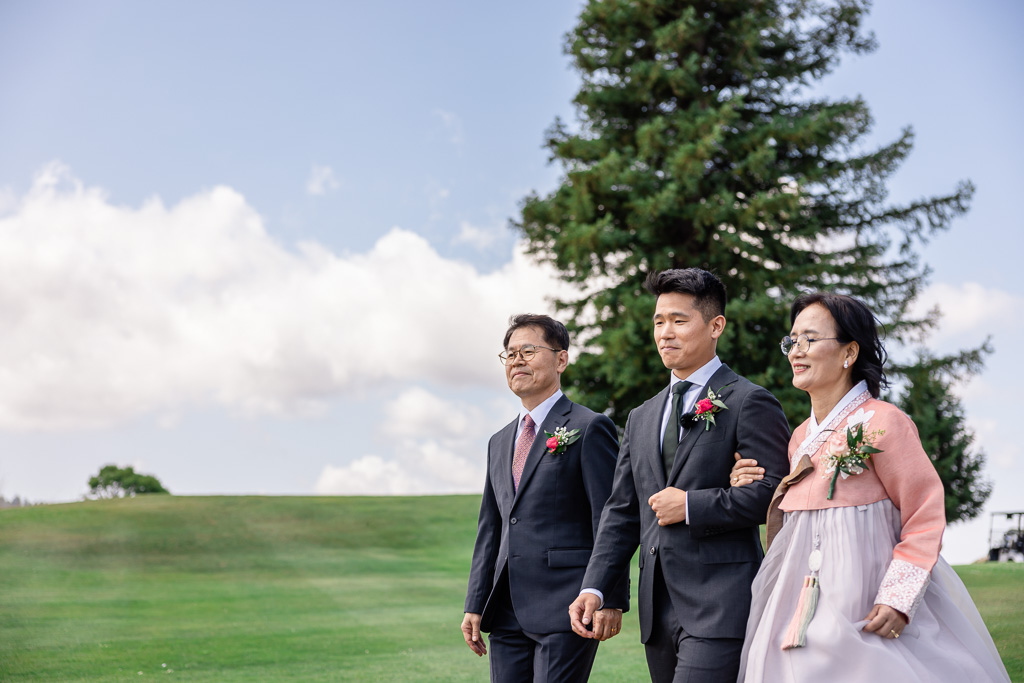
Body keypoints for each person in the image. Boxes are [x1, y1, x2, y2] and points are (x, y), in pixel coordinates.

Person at [730, 292, 1010, 682]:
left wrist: (898, 598)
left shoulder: (885, 423)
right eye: (791, 340)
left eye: (810, 339)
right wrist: (743, 478)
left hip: (867, 598)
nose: (796, 350)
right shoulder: (798, 438)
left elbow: (924, 515)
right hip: (797, 598)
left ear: (849, 352)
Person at [568, 268, 791, 683]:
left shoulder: (749, 401)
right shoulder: (641, 416)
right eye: (658, 321)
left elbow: (774, 496)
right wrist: (595, 587)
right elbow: (621, 512)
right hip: (658, 610)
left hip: (721, 602)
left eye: (679, 320)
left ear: (715, 326)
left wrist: (690, 505)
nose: (665, 332)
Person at [462, 314, 629, 682]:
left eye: (528, 350)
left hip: (566, 606)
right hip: (505, 609)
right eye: (509, 354)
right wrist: (475, 603)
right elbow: (491, 528)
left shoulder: (589, 427)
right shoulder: (499, 441)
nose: (517, 360)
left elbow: (610, 518)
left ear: (561, 359)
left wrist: (610, 596)